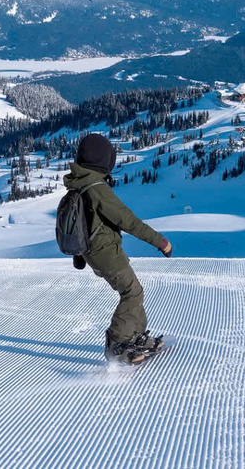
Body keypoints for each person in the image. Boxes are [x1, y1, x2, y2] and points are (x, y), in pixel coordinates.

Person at [64, 132, 173, 365]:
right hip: (105, 252)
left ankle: (136, 337)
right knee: (131, 292)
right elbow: (128, 220)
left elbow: (79, 221)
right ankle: (117, 343)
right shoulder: (96, 187)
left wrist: (79, 254)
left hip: (95, 251)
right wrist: (160, 242)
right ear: (104, 161)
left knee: (134, 290)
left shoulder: (80, 183)